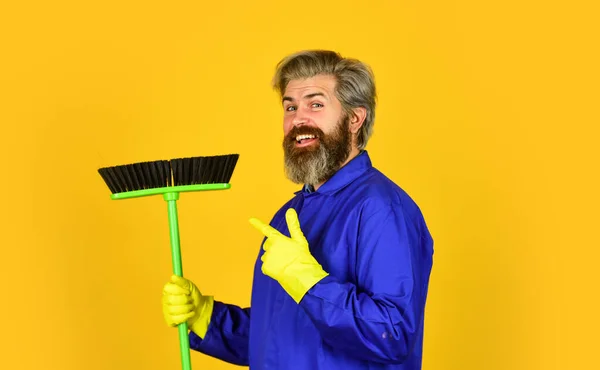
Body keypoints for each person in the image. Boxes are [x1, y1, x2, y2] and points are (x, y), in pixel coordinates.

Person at [161, 50, 434, 369]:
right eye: (290, 106)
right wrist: (208, 317)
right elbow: (281, 337)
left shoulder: (382, 209)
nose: (298, 120)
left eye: (316, 104)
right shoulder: (290, 214)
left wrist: (309, 283)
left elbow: (392, 334)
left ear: (354, 119)